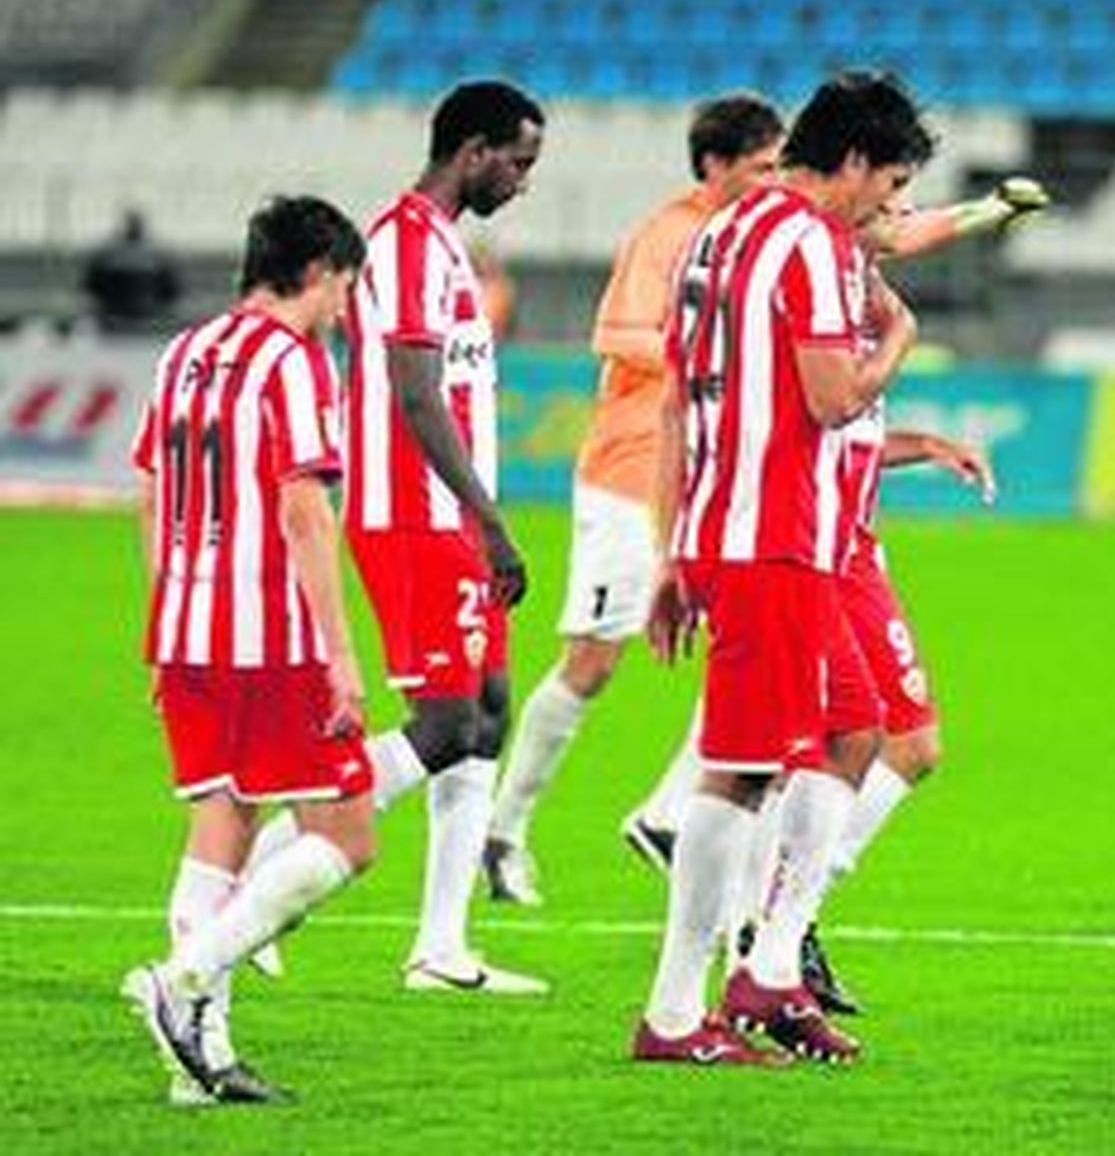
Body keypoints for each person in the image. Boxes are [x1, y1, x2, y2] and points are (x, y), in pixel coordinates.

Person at [628, 182, 1048, 1015]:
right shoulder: (817, 275)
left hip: (828, 538)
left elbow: (839, 431)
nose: (902, 216)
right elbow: (804, 414)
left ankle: (773, 930)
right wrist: (913, 320)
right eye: (891, 195)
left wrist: (923, 442)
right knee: (838, 744)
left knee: (872, 741)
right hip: (810, 545)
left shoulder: (840, 275)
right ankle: (768, 932)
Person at [633, 71, 935, 1066]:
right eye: (890, 183)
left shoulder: (717, 234)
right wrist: (898, 339)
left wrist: (674, 548)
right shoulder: (812, 244)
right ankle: (674, 1013)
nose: (887, 206)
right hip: (774, 536)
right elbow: (834, 396)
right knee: (743, 766)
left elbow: (678, 399)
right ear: (851, 160)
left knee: (853, 725)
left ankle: (768, 970)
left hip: (730, 528)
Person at [243, 80, 549, 993]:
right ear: (473, 152)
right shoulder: (407, 244)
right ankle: (274, 854)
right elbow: (416, 397)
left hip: (451, 515)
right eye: (518, 162)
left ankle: (441, 948)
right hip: (415, 513)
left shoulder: (446, 246)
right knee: (449, 722)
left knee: (488, 712)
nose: (524, 181)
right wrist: (488, 520)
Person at [482, 93, 787, 906]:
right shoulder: (669, 232)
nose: (772, 181)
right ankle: (503, 829)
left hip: (704, 479)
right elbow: (615, 335)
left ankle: (667, 813)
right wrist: (718, 354)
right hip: (631, 471)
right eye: (760, 167)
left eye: (779, 167)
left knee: (757, 640)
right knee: (593, 661)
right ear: (715, 165)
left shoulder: (755, 236)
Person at [120, 195, 374, 1105]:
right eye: (345, 285)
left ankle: (200, 1065)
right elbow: (305, 510)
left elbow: (152, 492)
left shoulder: (183, 352)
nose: (345, 306)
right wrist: (340, 652)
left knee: (221, 825)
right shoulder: (293, 361)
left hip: (187, 629)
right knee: (348, 836)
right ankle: (180, 979)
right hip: (270, 636)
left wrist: (165, 618)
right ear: (316, 272)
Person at [82, 208, 182, 331]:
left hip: (121, 313)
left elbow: (92, 286)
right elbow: (171, 290)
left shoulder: (108, 253)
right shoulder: (156, 255)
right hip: (139, 313)